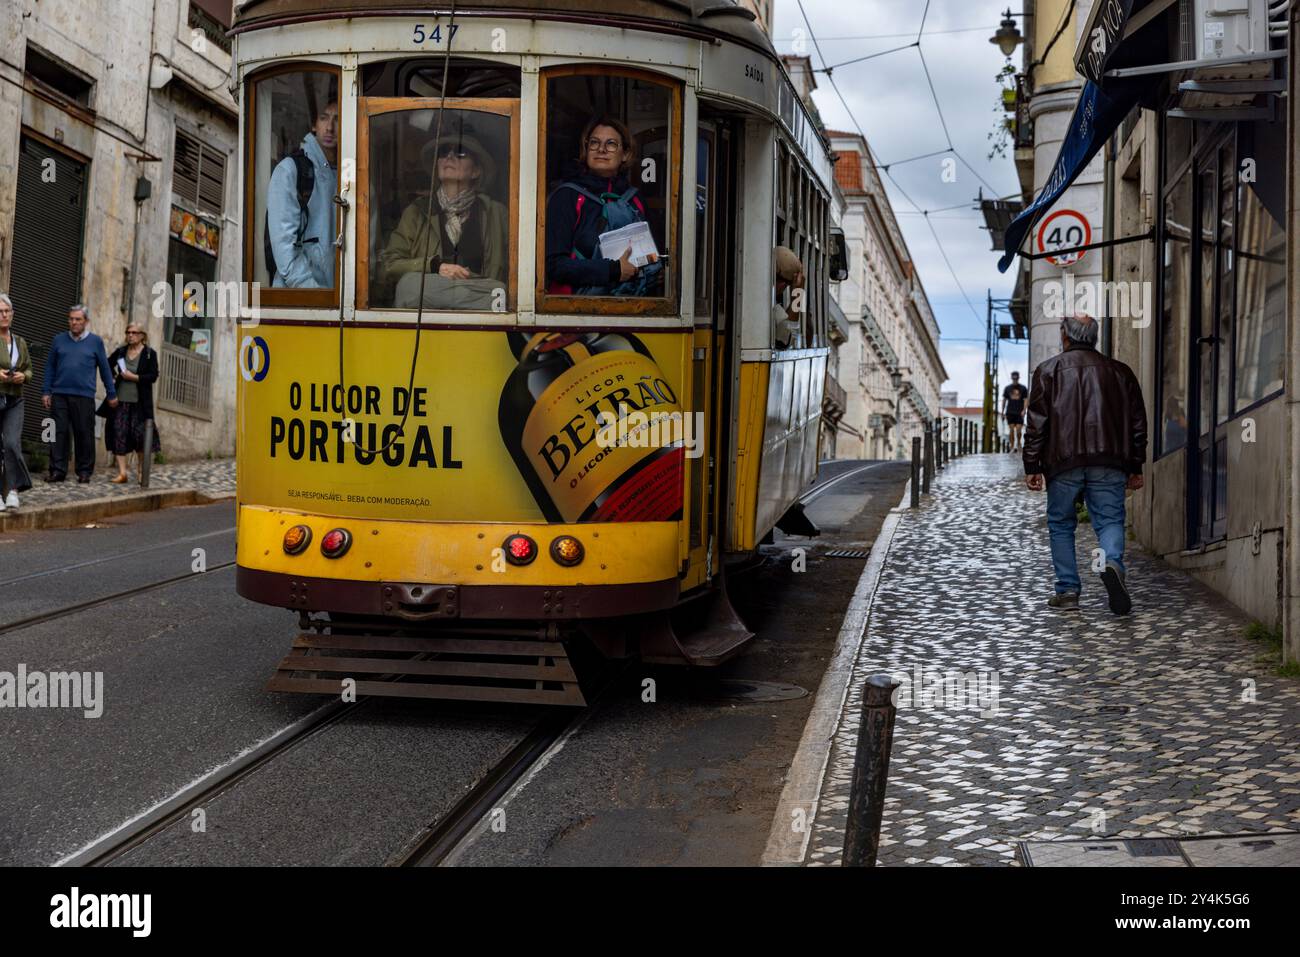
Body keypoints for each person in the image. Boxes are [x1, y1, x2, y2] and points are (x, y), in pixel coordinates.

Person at [1023, 314, 1147, 615]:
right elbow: (1137, 423)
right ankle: (1112, 563)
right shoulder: (1120, 372)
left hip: (1062, 461)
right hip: (1110, 459)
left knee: (1061, 524)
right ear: (1094, 337)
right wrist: (1135, 466)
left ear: (1064, 336)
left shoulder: (1047, 370)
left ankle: (1067, 591)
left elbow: (1036, 424)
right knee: (1109, 520)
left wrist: (1032, 466)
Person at [379, 133, 509, 309]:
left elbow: (513, 275)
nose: (449, 157)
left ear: (476, 171)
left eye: (460, 153)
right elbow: (389, 265)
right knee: (409, 286)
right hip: (429, 312)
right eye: (443, 152)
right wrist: (434, 266)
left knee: (498, 291)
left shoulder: (496, 213)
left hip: (482, 313)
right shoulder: (416, 212)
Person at [544, 116, 661, 296]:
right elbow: (553, 265)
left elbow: (653, 258)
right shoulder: (567, 196)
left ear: (626, 154)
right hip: (572, 310)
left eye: (611, 144)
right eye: (594, 143)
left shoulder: (635, 199)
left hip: (631, 307)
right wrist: (613, 270)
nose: (601, 149)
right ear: (586, 149)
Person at [267, 98, 339, 289]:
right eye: (324, 118)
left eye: (338, 119)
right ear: (314, 124)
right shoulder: (290, 170)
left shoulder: (356, 179)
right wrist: (316, 295)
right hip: (298, 303)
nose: (330, 127)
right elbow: (284, 248)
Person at [42, 305, 117, 483]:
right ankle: (57, 470)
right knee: (57, 432)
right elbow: (50, 367)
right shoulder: (58, 340)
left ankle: (84, 471)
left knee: (84, 433)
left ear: (86, 321)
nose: (74, 322)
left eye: (78, 319)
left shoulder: (96, 342)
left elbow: (105, 369)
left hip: (84, 396)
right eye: (71, 319)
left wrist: (111, 393)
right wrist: (46, 391)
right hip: (59, 394)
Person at [105, 323, 161, 484]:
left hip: (140, 403)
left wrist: (134, 378)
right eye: (128, 332)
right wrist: (115, 377)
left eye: (134, 333)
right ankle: (122, 473)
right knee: (119, 434)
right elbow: (107, 363)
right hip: (121, 401)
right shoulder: (121, 351)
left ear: (142, 335)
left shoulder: (150, 354)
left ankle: (141, 469)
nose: (130, 335)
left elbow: (153, 376)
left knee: (140, 437)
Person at [0, 293, 33, 510]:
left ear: (12, 314)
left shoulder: (19, 341)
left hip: (15, 398)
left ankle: (12, 489)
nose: (3, 315)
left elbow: (29, 368)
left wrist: (25, 376)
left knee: (11, 443)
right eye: (0, 312)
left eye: (7, 311)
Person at [772, 246, 805, 349]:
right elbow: (786, 339)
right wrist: (798, 296)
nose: (784, 287)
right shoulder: (768, 305)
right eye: (786, 283)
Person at [1002, 371, 1029, 453]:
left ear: (1018, 378)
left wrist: (1024, 410)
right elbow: (1004, 400)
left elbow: (1026, 400)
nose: (1015, 380)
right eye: (1013, 378)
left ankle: (1019, 444)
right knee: (1011, 430)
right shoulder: (1007, 388)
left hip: (1019, 412)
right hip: (1010, 412)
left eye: (1016, 378)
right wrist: (1003, 411)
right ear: (1012, 378)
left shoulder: (1023, 388)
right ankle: (1012, 446)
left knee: (1018, 430)